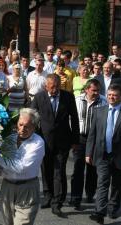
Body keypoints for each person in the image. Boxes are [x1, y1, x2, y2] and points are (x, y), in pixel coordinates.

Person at [0, 108, 45, 225]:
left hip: (27, 189)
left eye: (27, 126)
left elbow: (21, 167)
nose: (22, 129)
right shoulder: (9, 139)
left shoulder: (37, 142)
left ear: (34, 127)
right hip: (7, 187)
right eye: (20, 124)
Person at [86, 84, 121, 224]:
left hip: (120, 156)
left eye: (114, 95)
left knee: (117, 185)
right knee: (102, 183)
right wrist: (88, 152)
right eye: (109, 94)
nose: (111, 97)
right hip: (102, 154)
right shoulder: (99, 111)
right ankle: (99, 212)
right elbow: (92, 134)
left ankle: (113, 208)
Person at [30, 74, 79, 217]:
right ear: (46, 86)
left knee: (59, 170)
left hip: (63, 140)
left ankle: (57, 202)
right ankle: (48, 196)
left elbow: (74, 118)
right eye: (52, 87)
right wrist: (30, 138)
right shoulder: (39, 97)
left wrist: (75, 141)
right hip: (44, 140)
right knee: (46, 169)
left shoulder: (68, 97)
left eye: (57, 86)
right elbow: (31, 116)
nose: (55, 89)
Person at [70, 79, 107, 209]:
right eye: (93, 90)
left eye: (98, 90)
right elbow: (71, 118)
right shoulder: (77, 100)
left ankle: (90, 194)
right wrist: (72, 138)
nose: (96, 93)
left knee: (92, 168)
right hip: (80, 138)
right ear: (86, 89)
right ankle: (75, 198)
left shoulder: (103, 101)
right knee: (78, 168)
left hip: (96, 140)